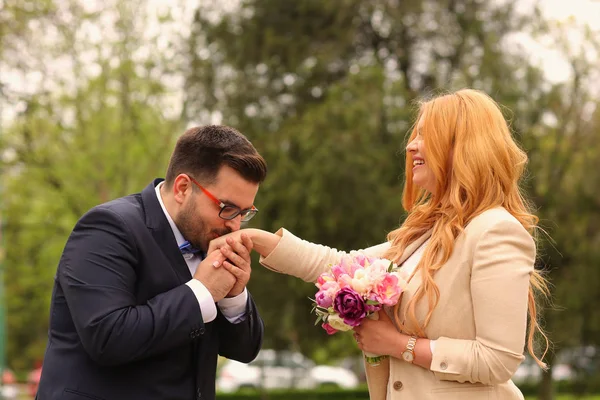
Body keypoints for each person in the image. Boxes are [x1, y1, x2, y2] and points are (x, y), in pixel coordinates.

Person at [209, 89, 549, 400]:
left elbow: (498, 360)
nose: (412, 146)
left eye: (427, 136)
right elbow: (339, 266)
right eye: (415, 135)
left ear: (463, 147)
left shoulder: (496, 231)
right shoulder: (423, 234)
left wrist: (399, 345)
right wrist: (256, 239)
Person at [37, 125, 267, 400]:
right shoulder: (106, 228)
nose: (234, 225)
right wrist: (203, 292)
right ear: (183, 188)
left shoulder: (211, 236)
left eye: (244, 212)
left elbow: (244, 351)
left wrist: (233, 297)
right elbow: (108, 337)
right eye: (226, 208)